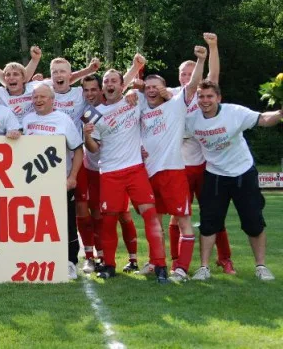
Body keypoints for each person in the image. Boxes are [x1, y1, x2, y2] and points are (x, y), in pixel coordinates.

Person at [84, 55, 169, 283]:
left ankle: (160, 265)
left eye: (114, 81)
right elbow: (93, 149)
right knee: (108, 220)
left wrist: (136, 87)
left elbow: (158, 95)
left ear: (122, 85)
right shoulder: (93, 113)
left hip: (135, 169)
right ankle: (109, 265)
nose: (110, 84)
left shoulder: (135, 99)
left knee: (150, 215)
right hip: (109, 172)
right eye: (106, 81)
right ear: (103, 87)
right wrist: (86, 135)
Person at [187, 80, 282, 281]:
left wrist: (280, 113)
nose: (205, 100)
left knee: (253, 221)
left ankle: (261, 266)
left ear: (218, 98)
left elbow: (264, 119)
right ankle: (204, 268)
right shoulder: (191, 120)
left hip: (243, 173)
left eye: (210, 96)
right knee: (208, 223)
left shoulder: (234, 112)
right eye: (201, 96)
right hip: (214, 175)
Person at [135, 45, 206, 281]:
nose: (151, 90)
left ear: (164, 88)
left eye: (156, 86)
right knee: (154, 222)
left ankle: (181, 268)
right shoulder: (141, 106)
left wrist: (201, 60)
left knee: (183, 220)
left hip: (173, 172)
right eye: (148, 87)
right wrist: (135, 78)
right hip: (148, 174)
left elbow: (193, 85)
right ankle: (156, 262)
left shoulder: (176, 104)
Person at [167, 33, 235, 274]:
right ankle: (176, 260)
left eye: (190, 73)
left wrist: (213, 47)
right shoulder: (172, 94)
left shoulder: (203, 94)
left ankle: (224, 258)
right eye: (183, 74)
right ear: (178, 77)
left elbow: (214, 74)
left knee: (213, 213)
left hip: (205, 165)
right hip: (179, 166)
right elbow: (150, 94)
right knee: (177, 216)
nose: (187, 77)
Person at [76, 59, 144, 274]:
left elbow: (123, 84)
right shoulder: (88, 112)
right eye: (86, 90)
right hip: (91, 167)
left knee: (122, 214)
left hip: (114, 168)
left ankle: (132, 259)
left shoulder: (115, 102)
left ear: (102, 90)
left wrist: (135, 75)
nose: (90, 94)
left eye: (94, 89)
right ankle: (94, 257)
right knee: (92, 213)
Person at [22, 84, 84, 279]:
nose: (38, 100)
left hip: (60, 183)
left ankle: (71, 262)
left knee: (66, 223)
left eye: (43, 97)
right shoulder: (27, 120)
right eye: (35, 97)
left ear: (52, 100)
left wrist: (72, 177)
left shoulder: (63, 120)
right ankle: (41, 260)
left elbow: (78, 150)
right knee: (38, 223)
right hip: (34, 183)